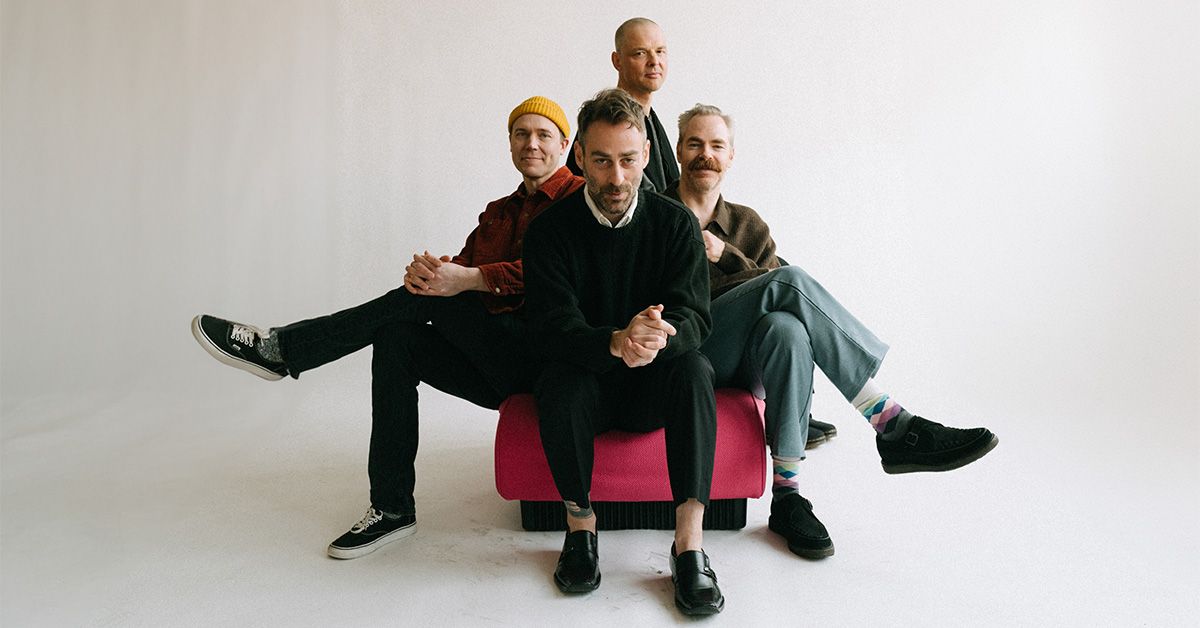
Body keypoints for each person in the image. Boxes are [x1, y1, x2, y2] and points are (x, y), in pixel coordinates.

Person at [190, 96, 584, 560]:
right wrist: (434, 273)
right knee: (397, 338)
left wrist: (464, 280)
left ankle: (281, 349)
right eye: (521, 134)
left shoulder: (578, 199)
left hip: (544, 363)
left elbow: (557, 277)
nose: (531, 144)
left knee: (424, 299)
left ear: (564, 144)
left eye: (543, 135)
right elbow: (462, 269)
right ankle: (392, 508)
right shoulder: (498, 211)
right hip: (491, 362)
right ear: (510, 143)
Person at [666, 104, 999, 559]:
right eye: (695, 144)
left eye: (716, 145)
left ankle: (787, 497)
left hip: (748, 361)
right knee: (789, 281)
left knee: (787, 328)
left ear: (731, 156)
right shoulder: (657, 215)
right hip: (690, 353)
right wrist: (742, 278)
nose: (706, 154)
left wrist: (726, 256)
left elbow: (773, 296)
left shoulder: (749, 225)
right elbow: (767, 285)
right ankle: (889, 421)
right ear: (678, 150)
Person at [522, 88, 724, 616]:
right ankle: (581, 529)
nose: (616, 178)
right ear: (579, 156)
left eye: (629, 160)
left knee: (695, 369)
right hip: (585, 385)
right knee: (558, 378)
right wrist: (615, 341)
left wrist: (656, 337)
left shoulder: (676, 223)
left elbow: (695, 315)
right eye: (602, 161)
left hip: (653, 383)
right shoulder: (548, 231)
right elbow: (550, 327)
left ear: (647, 155)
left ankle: (689, 545)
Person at [565, 17, 678, 193]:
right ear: (617, 61)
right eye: (640, 53)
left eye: (660, 51)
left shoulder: (650, 119)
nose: (654, 61)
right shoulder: (602, 121)